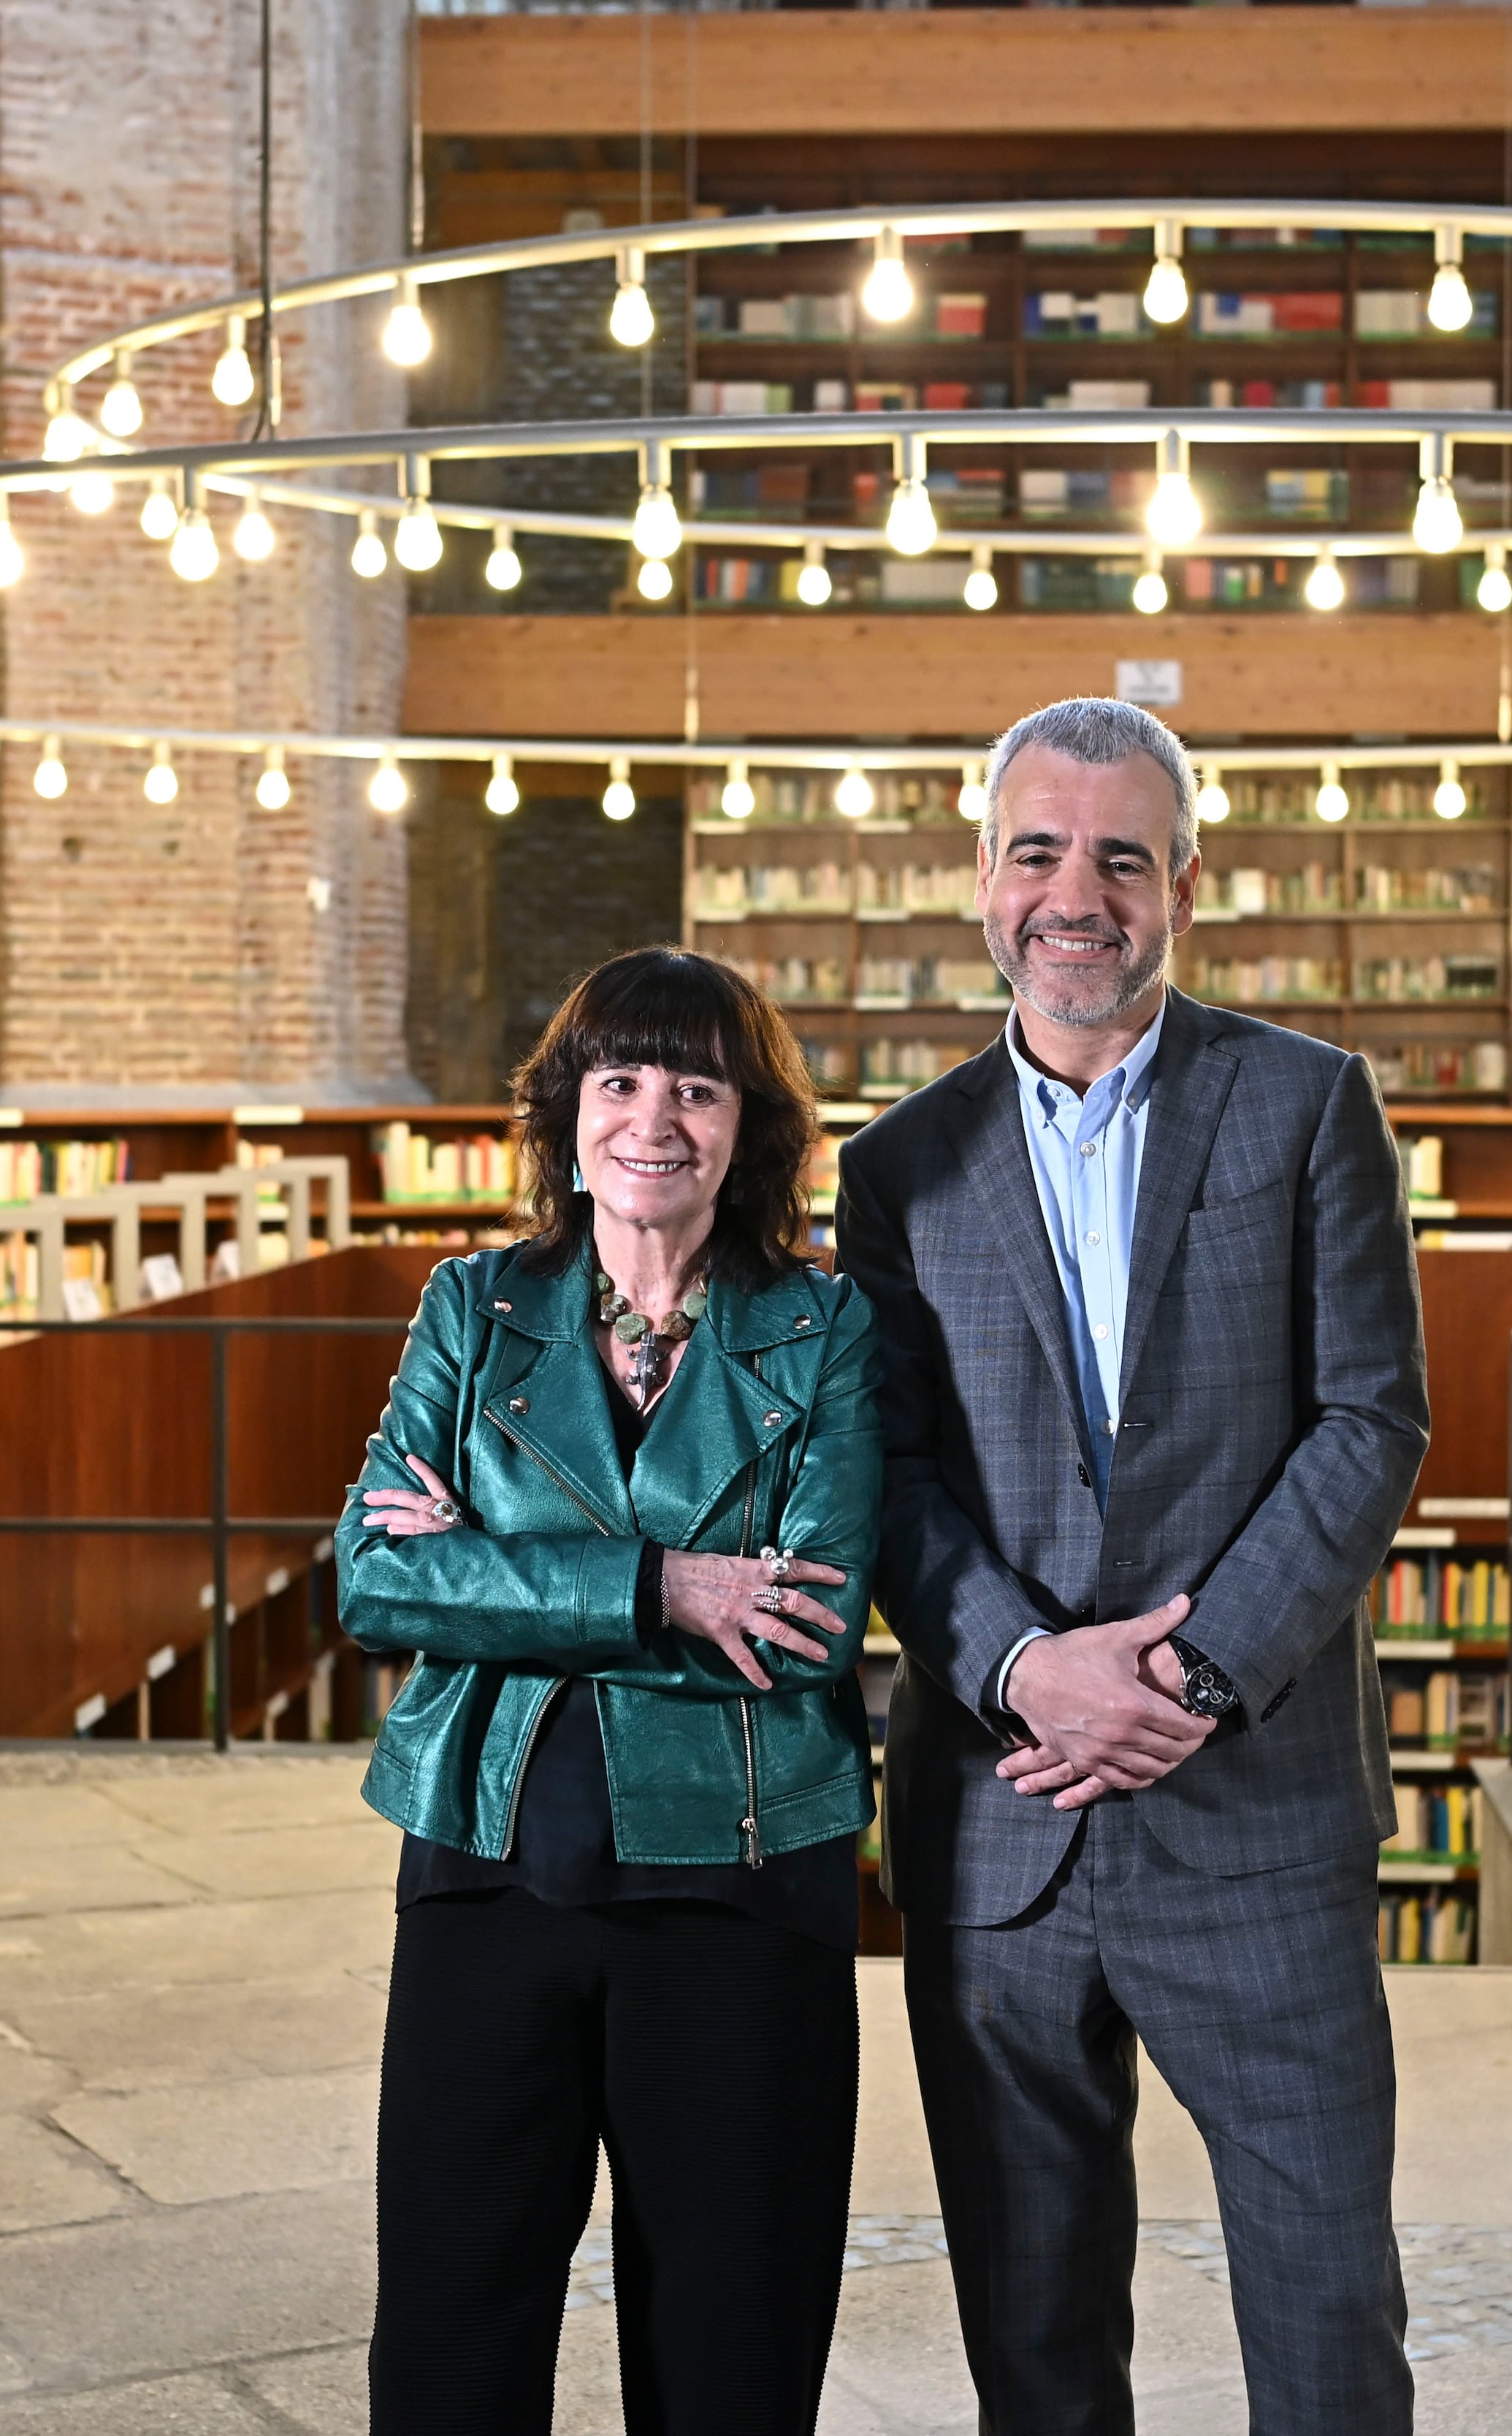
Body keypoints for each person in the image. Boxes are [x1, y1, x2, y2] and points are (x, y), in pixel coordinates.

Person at [836, 697, 1432, 2432]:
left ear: (1185, 880)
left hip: (1253, 1807)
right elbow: (889, 1474)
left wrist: (1186, 1672)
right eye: (1037, 852)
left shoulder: (1308, 1102)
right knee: (1031, 2340)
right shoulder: (897, 1164)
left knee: (1327, 2319)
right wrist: (1029, 1667)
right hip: (998, 1824)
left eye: (1119, 856)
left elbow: (1370, 1419)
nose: (1074, 894)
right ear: (982, 875)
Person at [343, 947, 879, 2435]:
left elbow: (810, 1625)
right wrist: (670, 1586)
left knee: (731, 2356)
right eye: (620, 1079)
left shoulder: (824, 1327)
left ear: (749, 1127)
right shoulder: (473, 1306)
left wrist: (494, 1570)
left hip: (743, 1886)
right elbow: (375, 1575)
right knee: (450, 2344)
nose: (654, 1118)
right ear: (567, 1113)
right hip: (485, 1867)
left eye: (698, 1088)